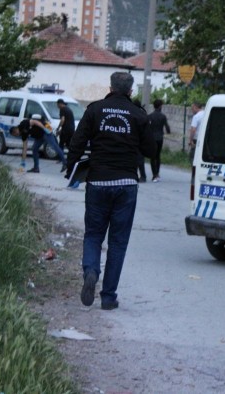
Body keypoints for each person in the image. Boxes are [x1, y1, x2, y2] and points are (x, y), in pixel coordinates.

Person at [66, 72, 156, 310]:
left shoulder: (95, 110)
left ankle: (91, 271)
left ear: (110, 87)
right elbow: (150, 149)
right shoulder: (138, 114)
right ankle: (108, 297)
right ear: (131, 91)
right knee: (118, 242)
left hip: (98, 181)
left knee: (94, 235)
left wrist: (71, 168)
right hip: (126, 183)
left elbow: (77, 141)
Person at [148, 99, 171, 182]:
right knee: (158, 156)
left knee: (152, 157)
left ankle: (154, 175)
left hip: (152, 138)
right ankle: (157, 173)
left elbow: (147, 128)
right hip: (160, 138)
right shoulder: (163, 116)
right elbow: (167, 127)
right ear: (160, 106)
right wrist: (168, 132)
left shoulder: (150, 116)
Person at [132, 99, 148, 182]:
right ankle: (142, 176)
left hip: (136, 139)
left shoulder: (134, 113)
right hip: (142, 139)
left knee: (136, 159)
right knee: (140, 160)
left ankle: (139, 176)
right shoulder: (142, 113)